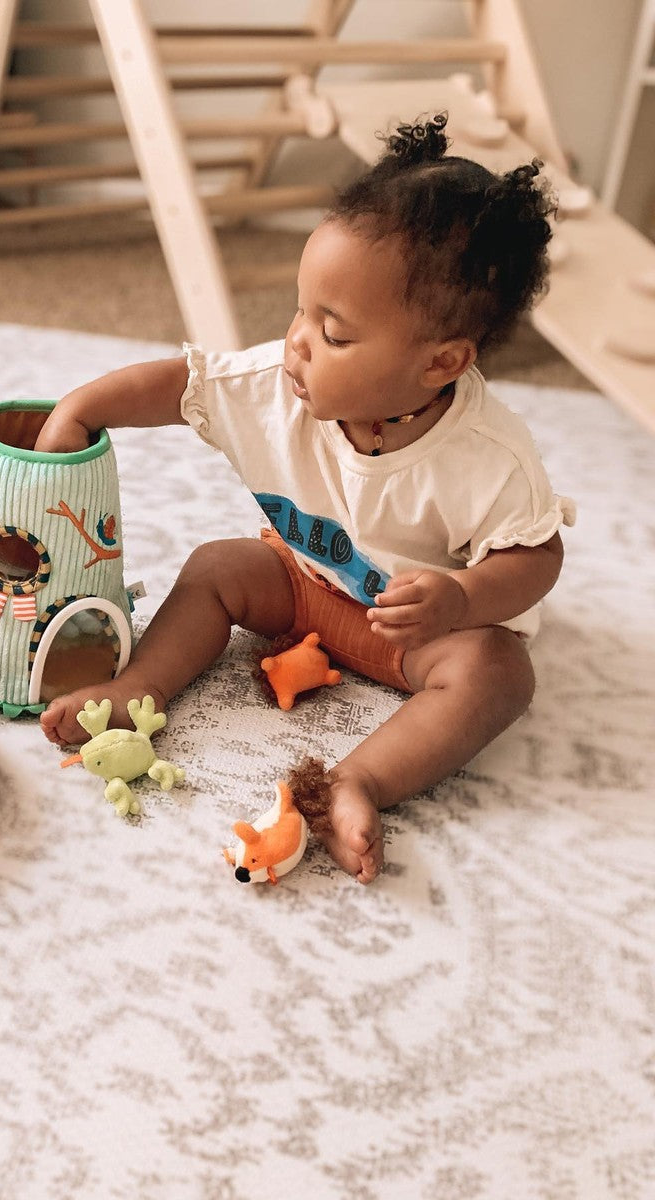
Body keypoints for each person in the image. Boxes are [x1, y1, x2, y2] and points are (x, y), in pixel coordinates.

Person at [35, 112, 575, 884]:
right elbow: (183, 383)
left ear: (441, 362)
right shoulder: (275, 383)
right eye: (300, 309)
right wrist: (82, 409)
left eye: (335, 332)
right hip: (305, 589)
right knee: (219, 563)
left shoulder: (486, 456)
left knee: (500, 674)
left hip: (416, 635)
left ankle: (359, 781)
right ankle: (137, 690)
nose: (297, 341)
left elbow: (537, 555)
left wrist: (459, 600)